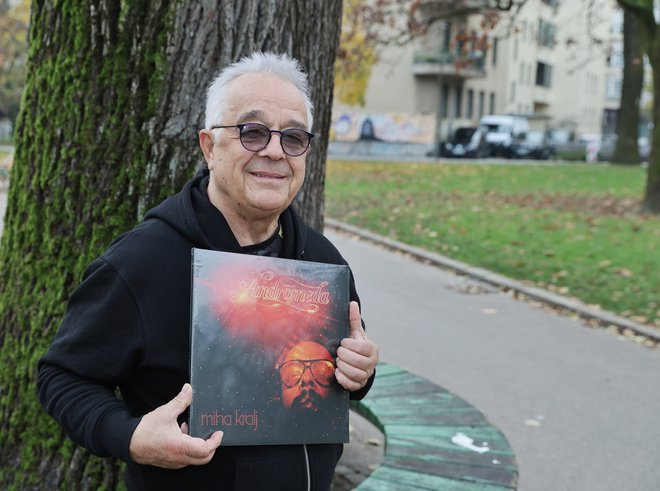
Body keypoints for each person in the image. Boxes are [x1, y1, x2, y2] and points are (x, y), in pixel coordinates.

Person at [37, 51, 379, 490]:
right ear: (209, 146)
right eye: (252, 132)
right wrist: (129, 436)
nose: (275, 151)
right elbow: (63, 377)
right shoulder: (142, 262)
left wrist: (360, 371)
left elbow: (347, 374)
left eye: (293, 138)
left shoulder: (322, 262)